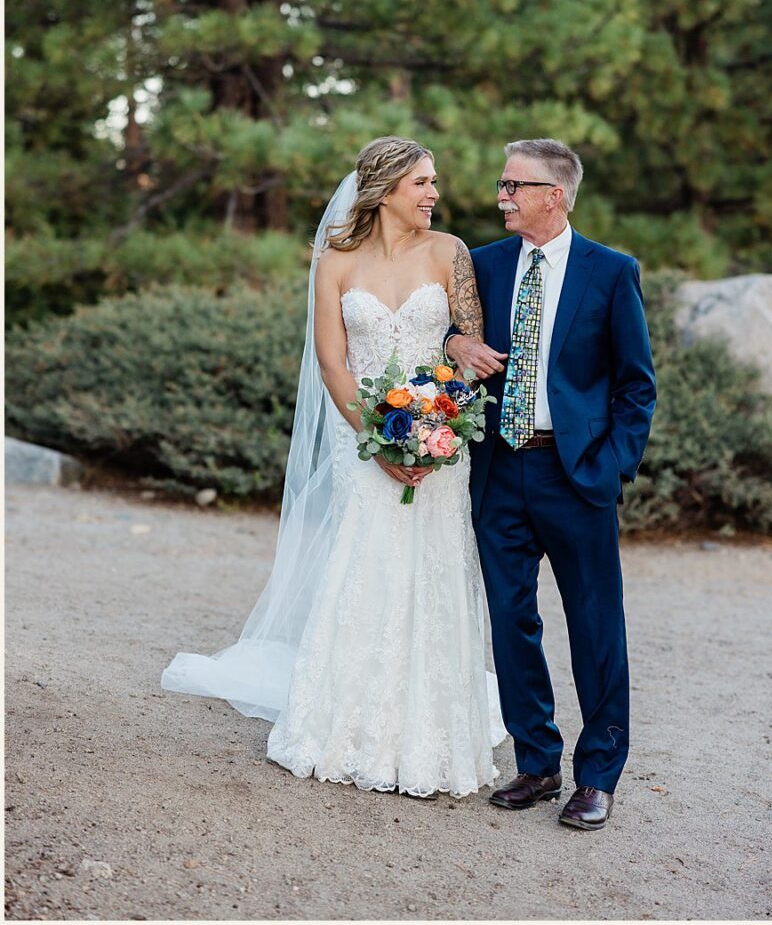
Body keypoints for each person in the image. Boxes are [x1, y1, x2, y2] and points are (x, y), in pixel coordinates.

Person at [163, 136, 505, 799]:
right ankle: (347, 728)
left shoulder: (451, 253)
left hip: (441, 447)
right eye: (421, 183)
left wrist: (436, 435)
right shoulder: (336, 261)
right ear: (382, 191)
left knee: (433, 574)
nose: (434, 193)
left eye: (435, 182)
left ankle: (432, 735)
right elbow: (332, 362)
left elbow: (466, 349)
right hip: (365, 444)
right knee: (366, 569)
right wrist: (382, 441)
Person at [444, 139, 656, 831]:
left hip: (576, 474)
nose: (502, 196)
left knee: (595, 625)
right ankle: (536, 762)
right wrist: (454, 346)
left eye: (514, 185)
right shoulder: (481, 263)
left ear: (554, 194)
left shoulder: (610, 271)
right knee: (511, 621)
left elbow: (635, 385)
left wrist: (611, 463)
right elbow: (451, 334)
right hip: (499, 469)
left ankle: (598, 776)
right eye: (502, 184)